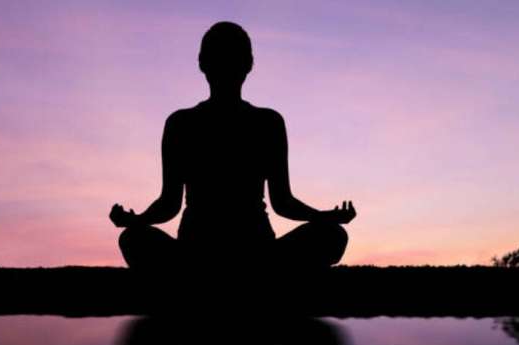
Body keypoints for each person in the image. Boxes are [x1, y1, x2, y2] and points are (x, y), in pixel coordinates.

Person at [109, 21, 356, 273]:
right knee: (132, 237)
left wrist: (326, 218)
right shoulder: (186, 123)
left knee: (332, 234)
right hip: (225, 252)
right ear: (248, 64)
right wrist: (136, 221)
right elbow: (169, 204)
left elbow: (282, 202)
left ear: (202, 63)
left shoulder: (263, 122)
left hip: (234, 251)